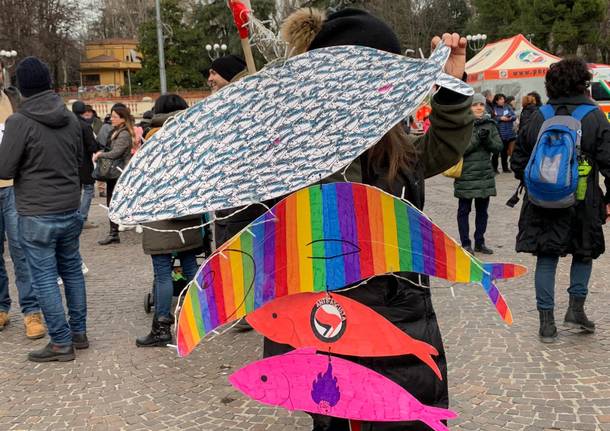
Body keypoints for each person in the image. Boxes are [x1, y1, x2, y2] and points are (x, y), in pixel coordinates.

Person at [277, 8, 474, 431]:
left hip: (403, 318)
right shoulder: (295, 149)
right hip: (332, 324)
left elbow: (442, 150)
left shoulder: (390, 139)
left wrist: (452, 87)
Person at [511, 58, 610, 343]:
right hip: (583, 198)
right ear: (583, 83)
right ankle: (576, 311)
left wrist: (540, 183)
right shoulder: (594, 116)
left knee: (546, 256)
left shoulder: (537, 116)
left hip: (543, 198)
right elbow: (608, 161)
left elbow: (518, 160)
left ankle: (547, 323)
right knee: (584, 252)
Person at [0, 56, 88, 361]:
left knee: (45, 277)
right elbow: (79, 160)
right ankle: (79, 333)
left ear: (22, 89)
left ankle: (61, 342)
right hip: (69, 207)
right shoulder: (71, 118)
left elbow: (5, 168)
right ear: (49, 83)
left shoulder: (19, 121)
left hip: (37, 212)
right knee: (73, 271)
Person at [135, 94, 203, 347]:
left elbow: (142, 178)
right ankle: (200, 316)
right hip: (189, 213)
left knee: (163, 273)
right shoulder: (192, 135)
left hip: (161, 215)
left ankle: (162, 328)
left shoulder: (153, 137)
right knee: (190, 265)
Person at [0, 60, 46, 339]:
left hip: (14, 186)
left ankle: (31, 312)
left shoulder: (14, 98)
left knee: (22, 251)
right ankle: (1, 307)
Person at [454, 93, 503, 255]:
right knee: (464, 211)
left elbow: (498, 147)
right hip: (466, 175)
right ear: (469, 107)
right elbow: (461, 149)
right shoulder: (462, 125)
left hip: (484, 176)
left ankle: (480, 242)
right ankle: (466, 243)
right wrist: (477, 138)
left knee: (482, 212)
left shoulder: (490, 124)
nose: (479, 107)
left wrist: (487, 140)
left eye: (481, 105)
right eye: (475, 105)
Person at [94, 105, 134, 245]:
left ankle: (114, 232)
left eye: (115, 116)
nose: (112, 119)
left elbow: (116, 152)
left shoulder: (123, 134)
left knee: (114, 202)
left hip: (119, 172)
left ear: (123, 118)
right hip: (116, 171)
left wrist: (100, 155)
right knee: (112, 202)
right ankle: (114, 232)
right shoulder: (117, 131)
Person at [72, 101, 100, 229]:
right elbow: (92, 145)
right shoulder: (85, 125)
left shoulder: (67, 124)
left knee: (75, 190)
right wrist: (98, 148)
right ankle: (82, 217)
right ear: (84, 111)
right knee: (88, 188)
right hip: (84, 161)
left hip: (70, 162)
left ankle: (75, 216)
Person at [492, 93, 516, 173]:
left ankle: (505, 168)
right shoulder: (494, 108)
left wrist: (510, 118)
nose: (503, 100)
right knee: (496, 152)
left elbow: (514, 116)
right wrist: (500, 118)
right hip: (498, 133)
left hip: (508, 133)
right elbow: (493, 119)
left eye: (503, 99)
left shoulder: (508, 107)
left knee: (505, 152)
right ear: (496, 101)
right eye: (500, 99)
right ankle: (494, 168)